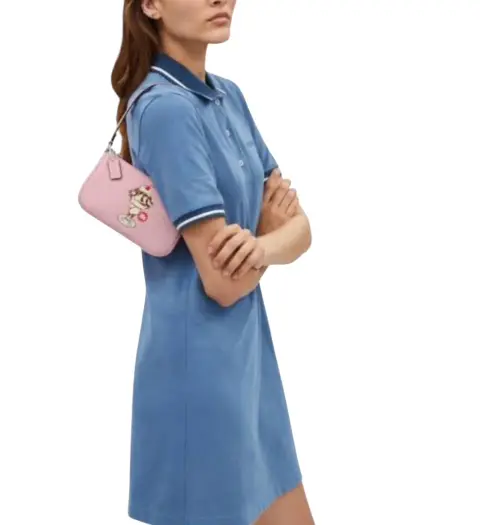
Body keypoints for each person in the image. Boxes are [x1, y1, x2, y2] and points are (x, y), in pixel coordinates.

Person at [111, 0, 314, 524]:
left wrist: (261, 246)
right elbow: (222, 284)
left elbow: (302, 230)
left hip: (250, 364)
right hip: (197, 374)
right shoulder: (166, 109)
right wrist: (270, 235)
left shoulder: (228, 96)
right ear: (151, 5)